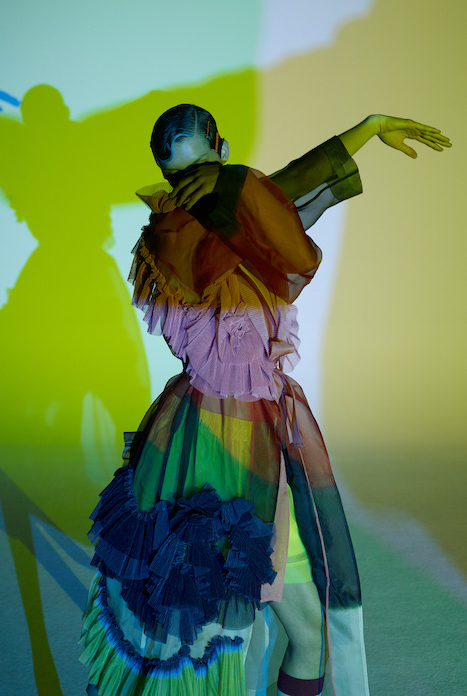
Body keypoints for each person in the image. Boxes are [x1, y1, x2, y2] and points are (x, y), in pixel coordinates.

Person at [79, 104, 451, 696]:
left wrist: (369, 128)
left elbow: (293, 184)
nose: (198, 184)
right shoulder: (174, 237)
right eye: (183, 175)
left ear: (223, 154)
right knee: (213, 636)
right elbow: (236, 230)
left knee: (307, 633)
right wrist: (233, 184)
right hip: (213, 456)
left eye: (205, 168)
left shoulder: (248, 211)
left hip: (262, 441)